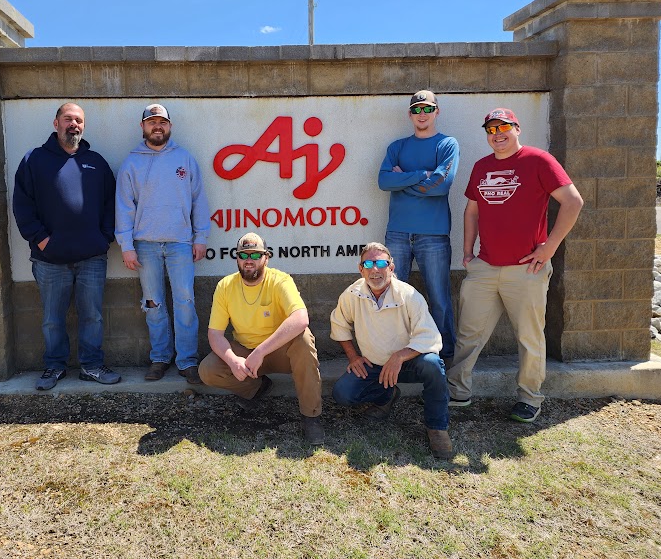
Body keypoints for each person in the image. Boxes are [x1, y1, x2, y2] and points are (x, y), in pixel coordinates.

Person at [447, 108, 583, 423]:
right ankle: (458, 392)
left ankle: (529, 398)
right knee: (468, 334)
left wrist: (550, 247)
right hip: (485, 267)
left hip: (526, 270)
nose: (497, 134)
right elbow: (471, 211)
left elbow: (573, 201)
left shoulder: (539, 160)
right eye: (491, 129)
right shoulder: (482, 166)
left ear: (517, 128)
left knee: (529, 337)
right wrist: (467, 252)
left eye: (503, 127)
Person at [13, 102, 120, 390]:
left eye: (79, 120)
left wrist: (104, 238)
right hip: (49, 259)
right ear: (56, 123)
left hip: (92, 257)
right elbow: (22, 205)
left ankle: (91, 366)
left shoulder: (96, 162)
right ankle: (54, 367)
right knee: (52, 319)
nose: (74, 125)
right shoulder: (34, 160)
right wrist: (42, 239)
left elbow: (112, 204)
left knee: (93, 316)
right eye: (68, 119)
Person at [198, 232, 324, 445]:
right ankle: (257, 388)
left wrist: (261, 351)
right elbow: (215, 334)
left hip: (281, 353)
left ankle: (311, 416)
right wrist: (232, 360)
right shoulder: (225, 286)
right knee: (208, 370)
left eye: (256, 255)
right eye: (244, 255)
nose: (249, 260)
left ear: (266, 258)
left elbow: (301, 318)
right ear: (237, 258)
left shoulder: (280, 280)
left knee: (303, 339)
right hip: (247, 354)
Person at [115, 103, 210, 385]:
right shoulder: (131, 163)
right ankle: (160, 358)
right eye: (152, 122)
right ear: (143, 127)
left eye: (162, 122)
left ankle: (187, 360)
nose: (157, 126)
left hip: (180, 243)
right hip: (145, 245)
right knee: (153, 303)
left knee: (185, 302)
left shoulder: (185, 159)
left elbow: (198, 200)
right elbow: (124, 207)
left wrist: (200, 237)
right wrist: (126, 245)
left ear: (170, 126)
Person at [330, 242, 453, 459]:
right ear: (360, 269)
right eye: (368, 264)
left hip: (409, 363)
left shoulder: (409, 295)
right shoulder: (352, 294)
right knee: (343, 393)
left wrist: (399, 356)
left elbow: (430, 336)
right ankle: (387, 396)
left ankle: (437, 428)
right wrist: (353, 356)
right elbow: (339, 324)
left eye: (380, 263)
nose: (375, 270)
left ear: (391, 267)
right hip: (375, 365)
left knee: (433, 365)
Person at [378, 90, 459, 363]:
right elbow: (384, 181)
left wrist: (404, 181)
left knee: (439, 298)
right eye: (416, 109)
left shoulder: (447, 144)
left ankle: (444, 356)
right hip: (397, 232)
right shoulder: (397, 147)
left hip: (433, 234)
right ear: (410, 114)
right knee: (393, 295)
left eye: (427, 108)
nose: (421, 114)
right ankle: (397, 354)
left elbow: (442, 186)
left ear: (437, 111)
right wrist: (423, 175)